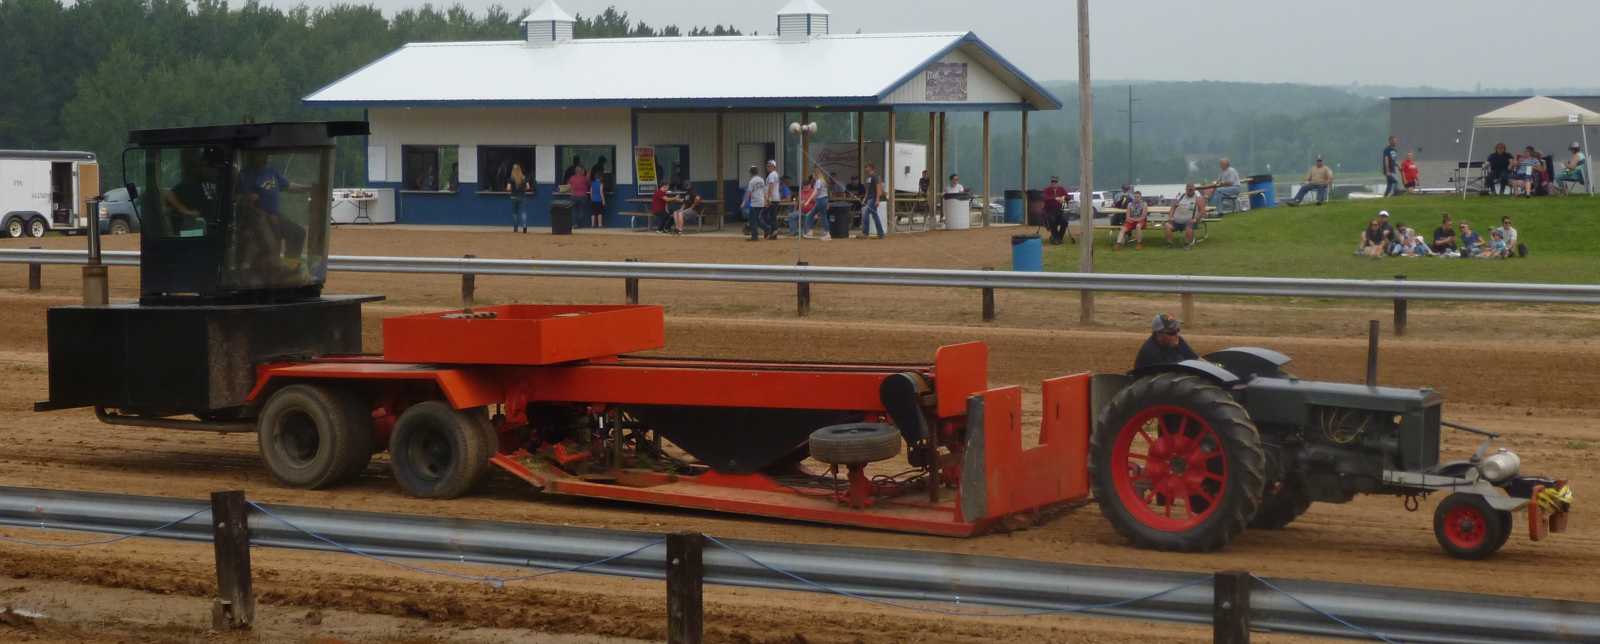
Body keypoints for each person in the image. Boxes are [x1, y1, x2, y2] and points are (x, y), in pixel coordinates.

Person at [236, 151, 309, 268]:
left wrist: (308, 188)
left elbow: (289, 186)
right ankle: (249, 268)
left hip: (275, 215)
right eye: (261, 154)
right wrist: (247, 197)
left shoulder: (271, 171)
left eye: (266, 154)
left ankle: (290, 266)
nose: (266, 156)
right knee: (266, 242)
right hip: (257, 217)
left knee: (298, 233)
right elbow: (238, 197)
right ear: (253, 155)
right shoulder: (245, 174)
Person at [1166, 182, 1204, 248]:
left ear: (1194, 190)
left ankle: (1187, 244)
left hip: (1189, 221)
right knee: (1167, 225)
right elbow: (1173, 207)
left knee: (1189, 227)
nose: (1190, 191)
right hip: (1176, 221)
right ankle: (1170, 244)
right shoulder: (1180, 196)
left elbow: (1202, 211)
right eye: (1188, 189)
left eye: (1191, 189)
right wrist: (1170, 217)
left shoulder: (1197, 198)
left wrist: (1196, 219)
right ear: (1186, 189)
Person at [803, 168, 832, 240]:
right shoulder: (823, 181)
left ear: (815, 174)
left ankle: (827, 233)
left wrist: (808, 201)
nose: (812, 176)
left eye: (813, 174)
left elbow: (815, 192)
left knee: (821, 216)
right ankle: (809, 231)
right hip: (823, 200)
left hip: (821, 200)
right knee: (813, 215)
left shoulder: (818, 181)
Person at [859, 163, 885, 239]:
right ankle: (881, 234)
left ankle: (865, 233)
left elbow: (878, 189)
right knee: (875, 216)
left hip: (873, 198)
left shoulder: (875, 177)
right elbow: (867, 190)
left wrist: (877, 199)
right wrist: (864, 198)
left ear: (871, 168)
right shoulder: (868, 178)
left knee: (866, 214)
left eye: (866, 167)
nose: (865, 169)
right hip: (869, 199)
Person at [1041, 177, 1070, 244]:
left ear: (1057, 183)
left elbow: (1068, 197)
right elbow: (1044, 197)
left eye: (1055, 182)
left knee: (1065, 221)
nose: (1054, 184)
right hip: (1050, 210)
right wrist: (1055, 198)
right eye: (1052, 182)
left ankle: (1059, 237)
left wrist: (1064, 197)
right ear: (1051, 183)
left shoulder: (1061, 189)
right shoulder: (1046, 190)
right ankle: (1056, 238)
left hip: (1060, 210)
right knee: (1051, 220)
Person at [745, 165, 769, 241]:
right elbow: (765, 191)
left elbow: (749, 193)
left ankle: (754, 236)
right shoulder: (761, 180)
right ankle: (767, 228)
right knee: (757, 219)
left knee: (753, 220)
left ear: (751, 173)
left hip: (754, 202)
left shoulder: (751, 181)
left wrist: (745, 202)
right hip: (761, 202)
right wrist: (765, 201)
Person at [506, 162, 530, 233]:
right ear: (520, 169)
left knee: (515, 213)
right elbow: (528, 187)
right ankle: (524, 227)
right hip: (522, 196)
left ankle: (515, 228)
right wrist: (523, 189)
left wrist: (512, 189)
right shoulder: (524, 177)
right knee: (523, 212)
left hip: (514, 197)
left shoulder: (511, 178)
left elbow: (508, 188)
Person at [764, 160, 782, 239]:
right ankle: (773, 231)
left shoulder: (772, 175)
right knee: (772, 215)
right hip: (775, 198)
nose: (768, 167)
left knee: (768, 215)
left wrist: (768, 198)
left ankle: (772, 230)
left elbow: (771, 186)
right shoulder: (775, 174)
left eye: (770, 166)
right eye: (767, 165)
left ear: (774, 167)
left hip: (772, 198)